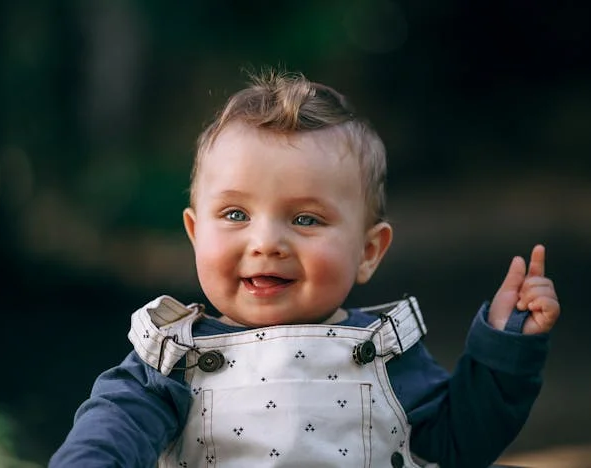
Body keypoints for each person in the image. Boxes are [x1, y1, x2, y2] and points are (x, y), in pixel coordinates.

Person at [50, 70, 560, 468]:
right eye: (234, 215)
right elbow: (110, 430)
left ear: (368, 251)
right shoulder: (171, 363)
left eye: (305, 218)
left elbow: (458, 444)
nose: (267, 242)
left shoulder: (383, 355)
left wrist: (503, 343)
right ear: (195, 232)